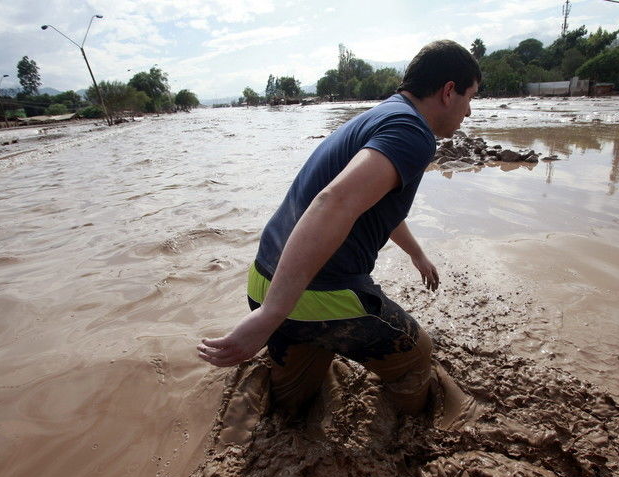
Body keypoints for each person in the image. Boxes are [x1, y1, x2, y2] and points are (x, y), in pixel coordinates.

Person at [198, 40, 481, 416]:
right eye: (470, 97)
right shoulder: (414, 133)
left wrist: (416, 253)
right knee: (418, 357)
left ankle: (289, 411)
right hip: (313, 295)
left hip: (264, 280)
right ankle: (414, 443)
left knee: (295, 404)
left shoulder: (383, 115)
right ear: (449, 91)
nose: (469, 111)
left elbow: (371, 201)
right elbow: (335, 202)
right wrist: (272, 315)